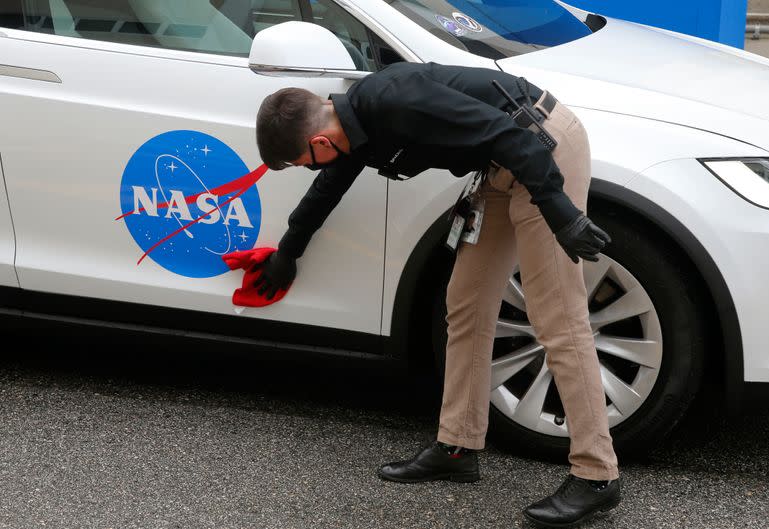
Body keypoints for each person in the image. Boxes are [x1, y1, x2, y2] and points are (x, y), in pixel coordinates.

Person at [253, 62, 620, 527]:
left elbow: (518, 139)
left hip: (541, 150)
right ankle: (457, 446)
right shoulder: (352, 126)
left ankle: (597, 476)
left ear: (320, 142)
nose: (312, 169)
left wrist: (561, 213)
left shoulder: (394, 101)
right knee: (465, 304)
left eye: (304, 162)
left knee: (557, 318)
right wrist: (288, 250)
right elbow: (331, 185)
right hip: (501, 163)